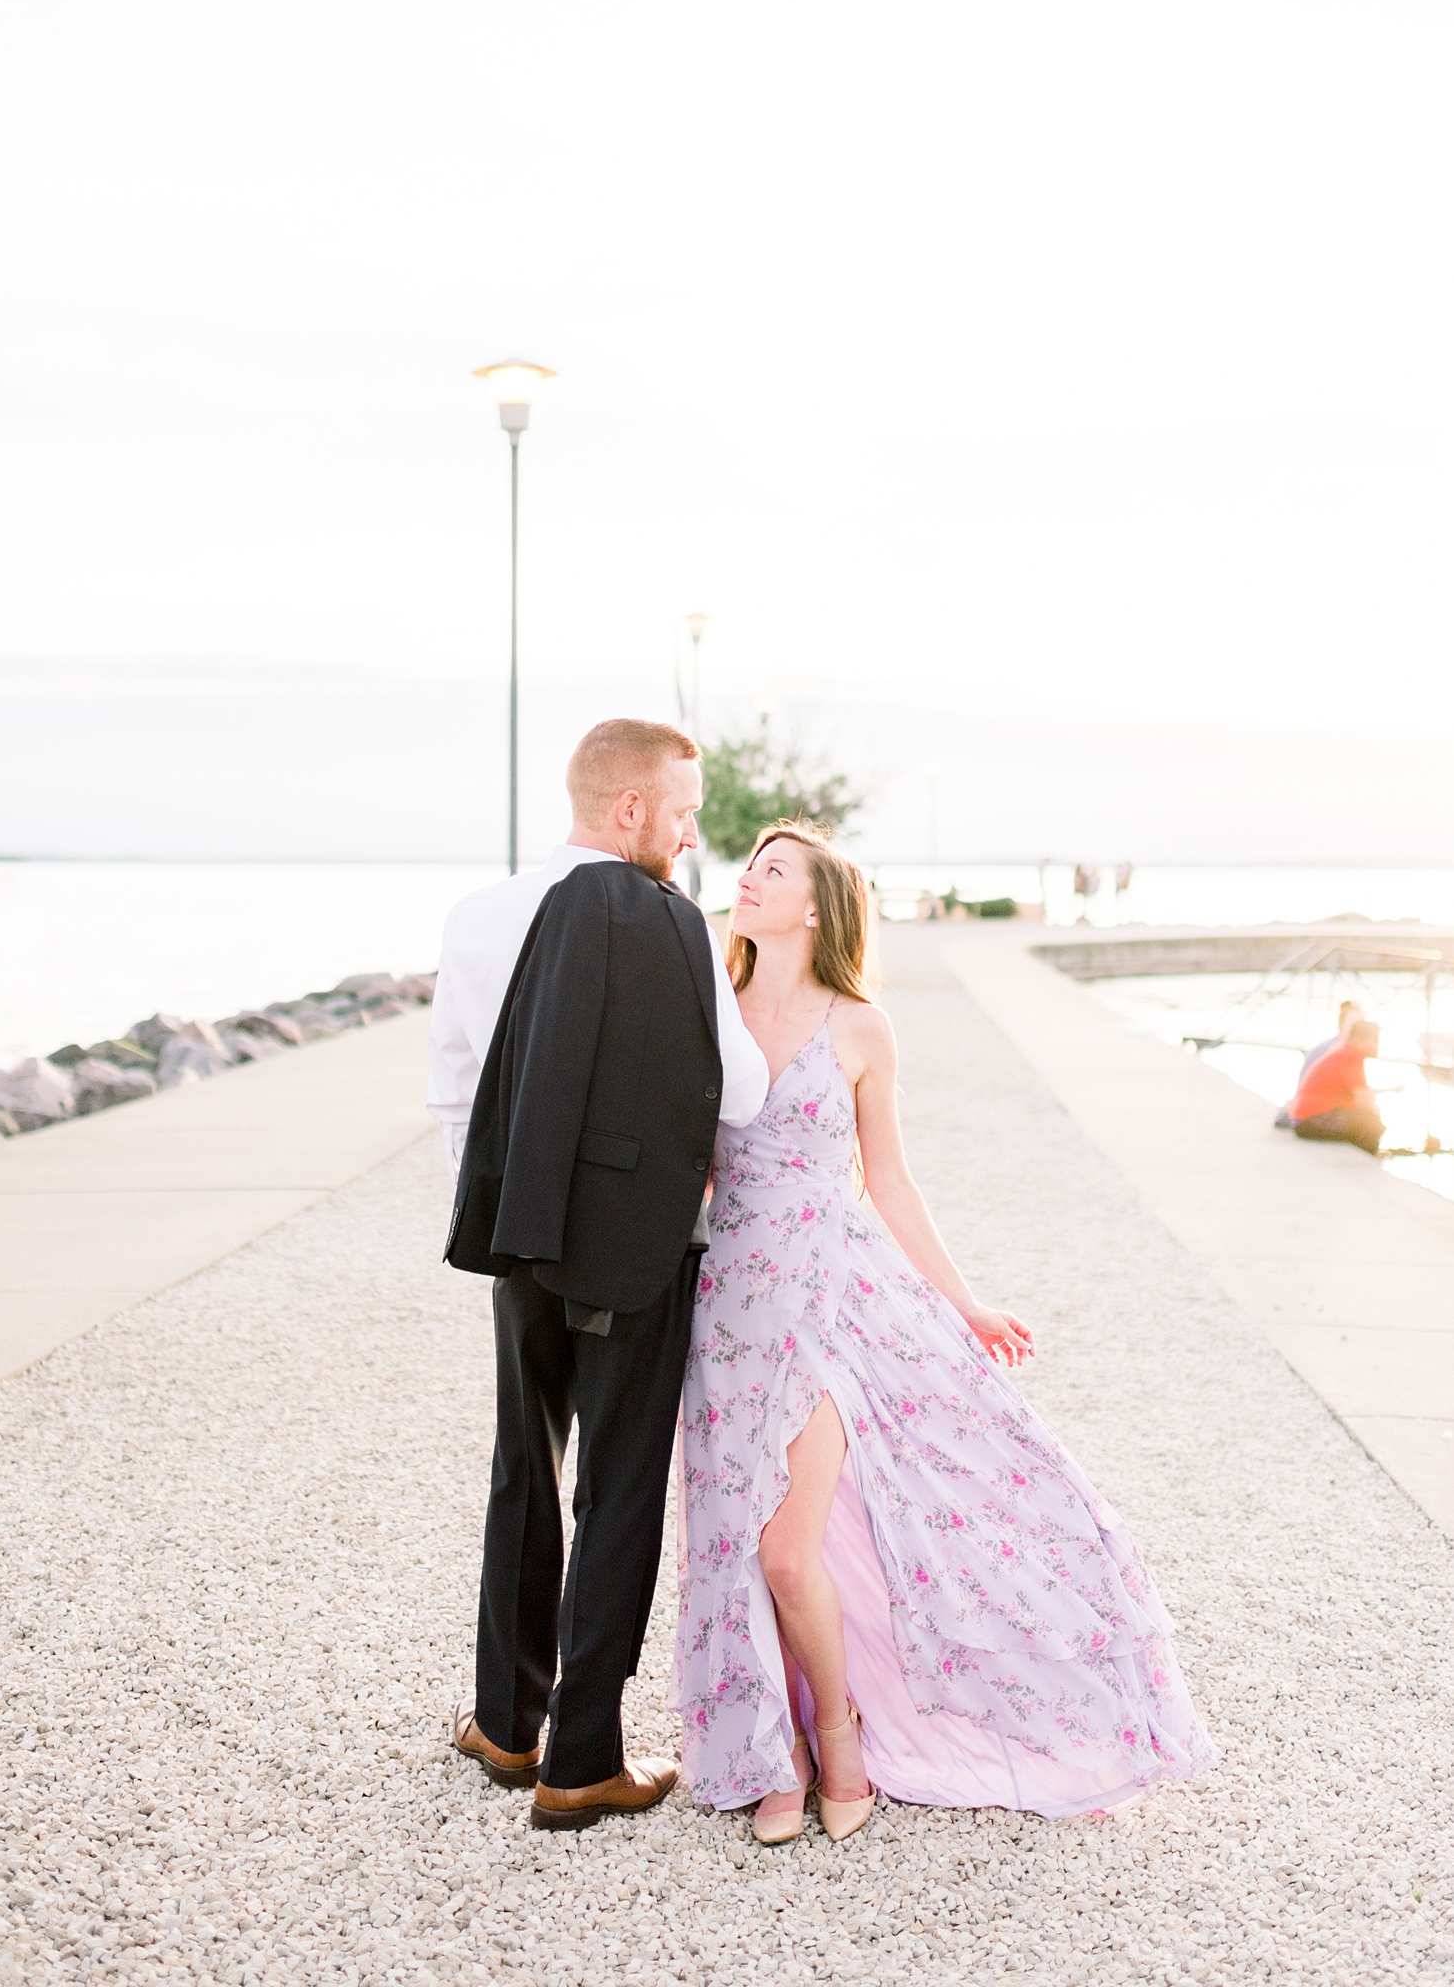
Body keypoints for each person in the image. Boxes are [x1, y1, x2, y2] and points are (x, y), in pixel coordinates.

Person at [674, 824, 1216, 1843]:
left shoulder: (862, 1027)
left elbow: (889, 1179)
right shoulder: (714, 1012)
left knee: (793, 1550)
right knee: (739, 1539)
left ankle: (838, 1736)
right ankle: (771, 1745)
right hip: (732, 1310)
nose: (748, 881)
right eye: (748, 866)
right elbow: (691, 1170)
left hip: (835, 1296)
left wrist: (964, 1303)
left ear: (819, 908)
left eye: (773, 871)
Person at [438, 719, 769, 1831]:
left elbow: (454, 1090)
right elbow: (741, 1093)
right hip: (634, 1247)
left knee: (521, 1469)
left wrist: (515, 1210)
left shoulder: (483, 915)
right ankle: (583, 1760)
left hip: (520, 1233)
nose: (689, 834)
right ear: (631, 811)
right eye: (681, 812)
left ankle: (503, 1721)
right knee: (619, 1487)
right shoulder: (669, 922)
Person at [1289, 1013, 1384, 1155]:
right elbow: (1364, 1101)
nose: (1377, 1046)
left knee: (1365, 1120)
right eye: (1375, 1041)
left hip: (1305, 1120)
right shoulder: (1350, 1056)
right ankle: (1368, 1162)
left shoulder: (1344, 1051)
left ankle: (1363, 1155)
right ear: (1359, 1039)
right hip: (1309, 1121)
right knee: (1371, 1122)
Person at [1274, 1001, 1359, 1129]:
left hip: (1305, 1109)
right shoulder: (1337, 1050)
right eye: (1357, 1024)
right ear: (1343, 1024)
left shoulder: (1336, 1047)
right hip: (1308, 1115)